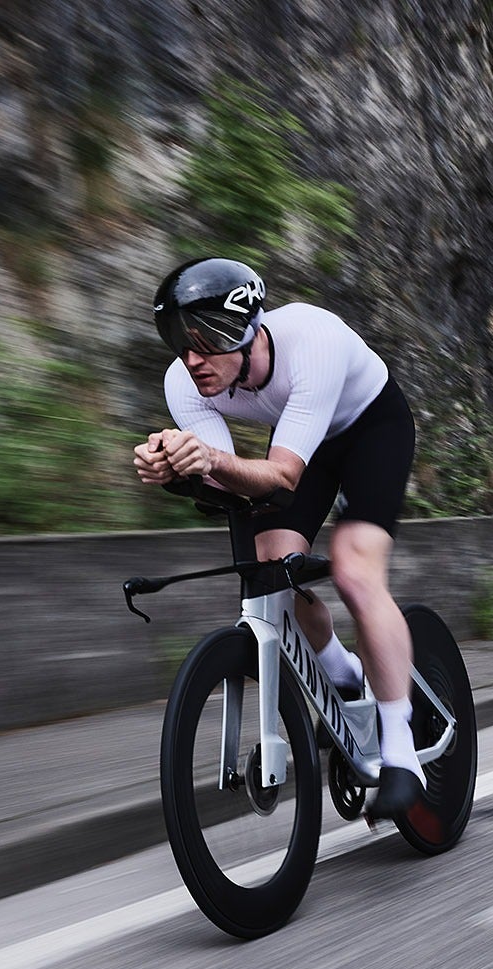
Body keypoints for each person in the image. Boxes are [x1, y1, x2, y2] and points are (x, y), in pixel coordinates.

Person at [133, 256, 421, 816]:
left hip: (371, 427)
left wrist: (210, 458)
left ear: (244, 329)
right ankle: (343, 674)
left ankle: (402, 753)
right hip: (301, 437)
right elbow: (230, 482)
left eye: (205, 343)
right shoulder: (184, 380)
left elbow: (284, 476)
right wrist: (176, 468)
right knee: (273, 568)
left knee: (354, 569)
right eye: (178, 343)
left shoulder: (311, 339)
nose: (192, 361)